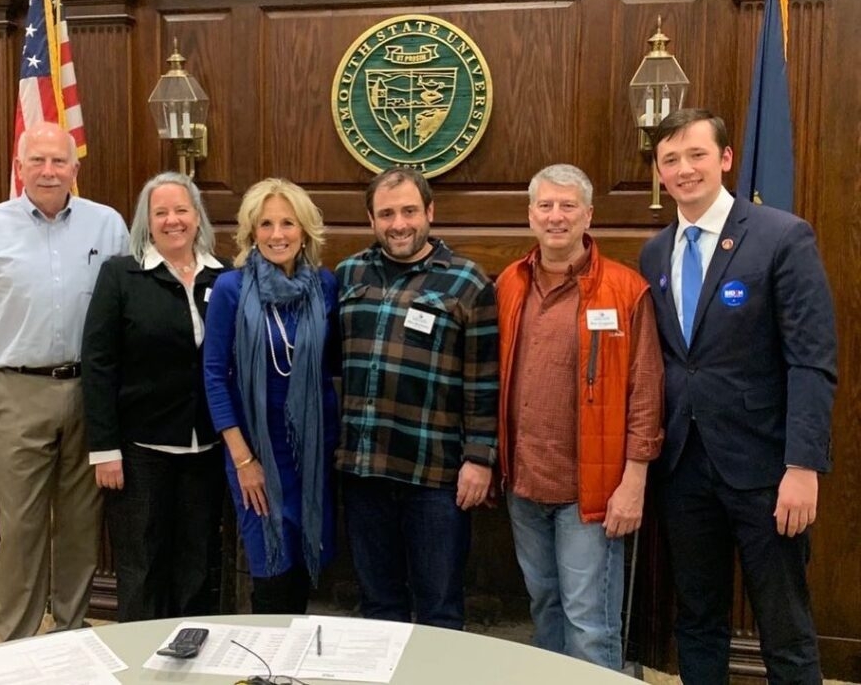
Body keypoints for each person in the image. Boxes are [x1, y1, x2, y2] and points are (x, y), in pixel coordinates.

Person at [640, 109, 837, 684]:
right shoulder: (655, 254)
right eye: (670, 159)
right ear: (659, 171)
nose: (684, 169)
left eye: (696, 154)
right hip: (683, 467)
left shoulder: (781, 236)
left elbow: (811, 360)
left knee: (785, 627)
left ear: (725, 159)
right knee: (697, 620)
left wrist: (803, 465)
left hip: (765, 469)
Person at [0, 121, 129, 640]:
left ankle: (70, 628)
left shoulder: (107, 225)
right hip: (16, 391)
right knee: (21, 526)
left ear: (75, 168)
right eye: (37, 161)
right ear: (19, 168)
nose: (49, 171)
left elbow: (127, 312)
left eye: (59, 161)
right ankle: (16, 643)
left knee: (81, 523)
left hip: (91, 391)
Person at [496, 163, 663, 670]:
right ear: (530, 215)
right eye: (545, 206)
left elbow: (646, 395)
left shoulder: (624, 289)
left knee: (590, 625)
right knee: (545, 611)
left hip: (590, 494)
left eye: (568, 206)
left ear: (588, 215)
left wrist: (633, 482)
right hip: (524, 485)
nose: (556, 216)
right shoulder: (509, 284)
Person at [336, 165, 498, 630]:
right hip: (363, 470)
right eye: (386, 213)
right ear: (371, 219)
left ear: (430, 211)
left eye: (409, 210)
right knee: (377, 606)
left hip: (435, 476)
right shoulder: (349, 274)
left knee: (440, 608)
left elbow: (484, 379)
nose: (398, 223)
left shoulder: (466, 281)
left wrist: (480, 459)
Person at [81, 172, 228, 622]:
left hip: (206, 447)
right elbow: (99, 364)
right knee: (142, 565)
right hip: (140, 449)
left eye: (181, 210)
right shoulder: (119, 275)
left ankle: (193, 655)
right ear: (147, 220)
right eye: (161, 212)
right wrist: (104, 450)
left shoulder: (225, 277)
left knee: (197, 562)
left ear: (197, 216)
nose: (172, 220)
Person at [203, 178, 340, 613]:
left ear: (304, 231)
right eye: (266, 224)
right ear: (251, 231)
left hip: (313, 451)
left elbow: (331, 365)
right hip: (257, 452)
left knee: (301, 565)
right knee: (270, 568)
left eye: (288, 223)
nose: (277, 234)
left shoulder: (325, 286)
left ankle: (295, 669)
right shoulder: (231, 288)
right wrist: (243, 460)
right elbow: (213, 376)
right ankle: (269, 672)